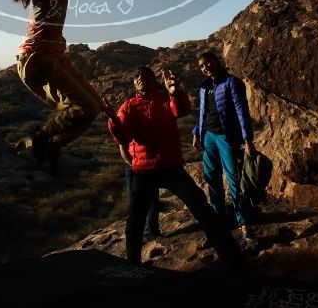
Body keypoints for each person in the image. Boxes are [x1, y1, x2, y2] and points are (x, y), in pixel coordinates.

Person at [10, 0, 146, 174]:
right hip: (37, 59)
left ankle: (47, 146)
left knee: (94, 107)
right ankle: (40, 140)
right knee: (85, 109)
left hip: (53, 56)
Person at [105, 66, 245, 269]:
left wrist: (176, 93)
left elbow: (182, 110)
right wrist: (114, 120)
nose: (141, 79)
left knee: (202, 210)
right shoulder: (127, 107)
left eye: (145, 76)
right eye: (137, 77)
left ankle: (233, 259)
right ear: (134, 83)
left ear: (154, 80)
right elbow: (124, 137)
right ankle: (132, 267)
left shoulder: (164, 99)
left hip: (170, 166)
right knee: (135, 222)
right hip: (143, 170)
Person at [192, 51, 258, 250]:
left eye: (208, 63)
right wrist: (197, 132)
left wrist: (248, 140)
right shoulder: (205, 86)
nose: (205, 67)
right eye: (202, 66)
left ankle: (245, 227)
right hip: (209, 137)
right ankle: (219, 225)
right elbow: (202, 112)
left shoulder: (231, 82)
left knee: (235, 180)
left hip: (226, 137)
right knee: (212, 179)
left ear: (216, 61)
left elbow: (241, 110)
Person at [120, 144, 161, 238]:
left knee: (153, 201)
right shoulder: (127, 132)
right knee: (134, 202)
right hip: (134, 167)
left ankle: (152, 231)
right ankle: (136, 234)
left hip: (147, 165)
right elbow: (122, 148)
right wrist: (134, 164)